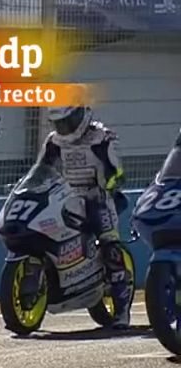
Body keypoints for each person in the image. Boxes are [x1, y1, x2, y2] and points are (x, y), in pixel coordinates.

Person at [35, 105, 133, 327]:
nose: (64, 128)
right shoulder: (54, 141)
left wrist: (107, 182)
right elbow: (41, 169)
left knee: (110, 246)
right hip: (64, 197)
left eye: (68, 122)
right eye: (59, 123)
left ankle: (122, 312)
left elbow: (118, 172)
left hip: (96, 197)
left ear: (81, 116)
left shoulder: (100, 138)